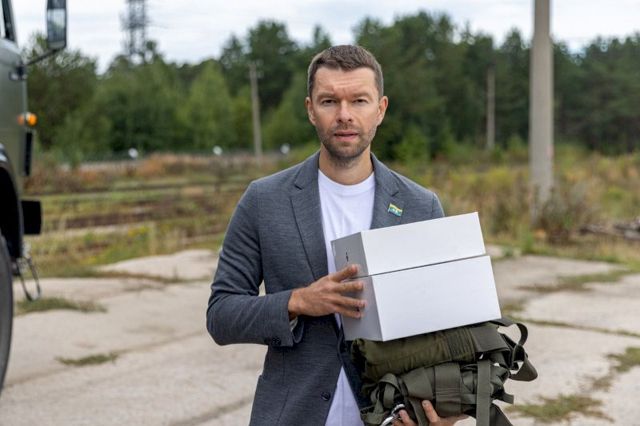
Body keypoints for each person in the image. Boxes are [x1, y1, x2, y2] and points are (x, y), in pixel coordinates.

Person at [207, 45, 466, 426]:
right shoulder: (264, 200)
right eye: (329, 101)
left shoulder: (421, 206)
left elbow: (446, 328)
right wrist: (298, 301)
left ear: (380, 109)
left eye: (359, 100)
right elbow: (221, 315)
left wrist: (447, 412)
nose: (344, 114)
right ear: (311, 109)